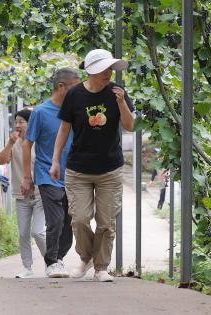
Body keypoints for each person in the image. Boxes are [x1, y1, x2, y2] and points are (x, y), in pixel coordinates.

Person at [50, 49, 134, 283]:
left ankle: (101, 267)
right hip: (78, 169)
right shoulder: (75, 95)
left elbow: (129, 126)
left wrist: (121, 103)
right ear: (91, 71)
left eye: (110, 69)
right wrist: (55, 160)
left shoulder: (118, 93)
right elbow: (64, 129)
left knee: (106, 222)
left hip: (110, 169)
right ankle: (86, 257)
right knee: (79, 218)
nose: (109, 73)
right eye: (104, 69)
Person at [20, 68, 77, 278]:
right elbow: (27, 145)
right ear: (61, 87)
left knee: (72, 222)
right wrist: (27, 177)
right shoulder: (41, 112)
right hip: (47, 173)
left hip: (72, 174)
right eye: (74, 86)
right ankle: (51, 261)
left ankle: (58, 258)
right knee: (55, 220)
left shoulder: (75, 110)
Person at [0, 108, 46, 278]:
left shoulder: (40, 142)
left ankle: (52, 262)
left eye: (21, 122)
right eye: (16, 121)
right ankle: (27, 267)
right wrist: (10, 143)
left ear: (30, 124)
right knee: (23, 233)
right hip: (21, 195)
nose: (17, 125)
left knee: (37, 231)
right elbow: (1, 160)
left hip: (40, 194)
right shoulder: (14, 143)